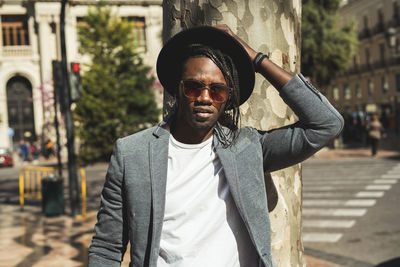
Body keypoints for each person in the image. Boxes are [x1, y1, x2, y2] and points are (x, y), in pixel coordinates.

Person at [88, 25, 344, 267]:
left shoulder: (246, 147)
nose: (205, 98)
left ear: (227, 98)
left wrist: (256, 59)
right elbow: (107, 247)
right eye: (193, 87)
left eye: (217, 90)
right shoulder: (133, 153)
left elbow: (326, 124)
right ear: (178, 89)